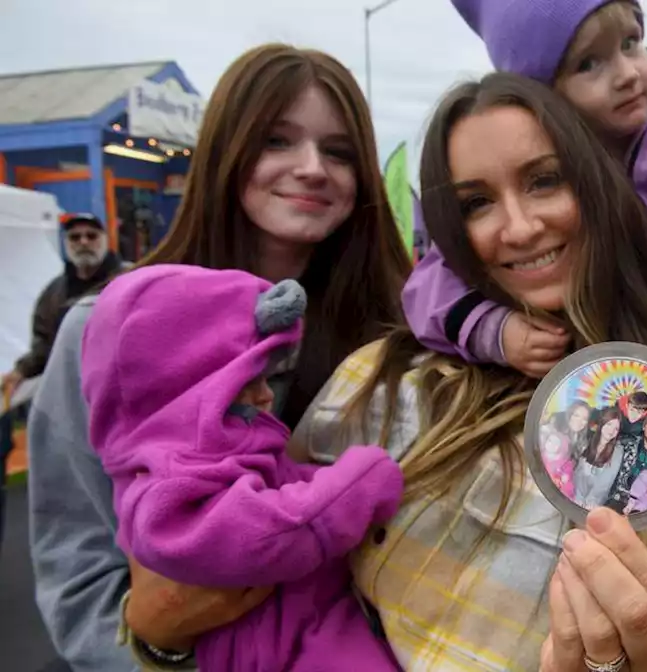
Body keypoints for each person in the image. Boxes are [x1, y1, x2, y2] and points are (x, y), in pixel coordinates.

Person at [125, 71, 647, 672]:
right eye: (475, 203)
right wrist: (163, 640)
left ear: (597, 186)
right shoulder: (383, 376)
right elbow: (255, 584)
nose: (518, 227)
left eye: (545, 180)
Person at [26, 43, 411, 671]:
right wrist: (157, 646)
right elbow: (77, 572)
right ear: (225, 153)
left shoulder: (399, 340)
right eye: (277, 141)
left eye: (338, 151)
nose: (312, 167)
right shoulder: (103, 332)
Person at [402, 0, 647, 379]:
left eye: (630, 42)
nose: (627, 74)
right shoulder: (530, 167)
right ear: (541, 94)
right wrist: (496, 331)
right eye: (589, 63)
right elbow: (429, 286)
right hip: (576, 384)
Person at [81, 265, 404, 672]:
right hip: (275, 648)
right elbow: (250, 532)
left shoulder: (226, 443)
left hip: (313, 618)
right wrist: (355, 485)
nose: (266, 394)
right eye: (243, 381)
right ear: (178, 388)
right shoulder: (165, 477)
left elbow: (281, 483)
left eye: (267, 376)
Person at [3, 213, 125, 391]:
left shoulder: (129, 280)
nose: (83, 242)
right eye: (75, 237)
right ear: (65, 243)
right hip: (72, 389)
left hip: (120, 384)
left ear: (106, 240)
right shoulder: (53, 293)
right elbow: (44, 346)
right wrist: (21, 371)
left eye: (91, 236)